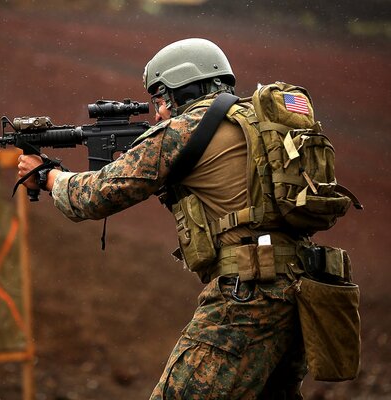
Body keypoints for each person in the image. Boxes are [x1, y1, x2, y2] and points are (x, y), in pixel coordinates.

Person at [17, 38, 307, 399]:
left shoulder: (186, 130)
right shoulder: (256, 124)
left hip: (246, 297)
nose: (156, 114)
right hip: (299, 293)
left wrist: (47, 176)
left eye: (159, 99)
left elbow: (93, 198)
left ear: (181, 88)